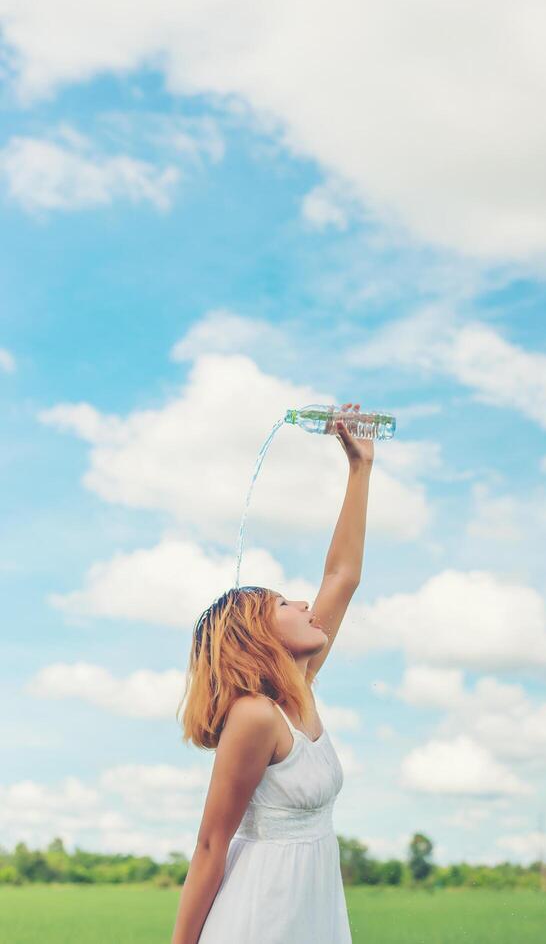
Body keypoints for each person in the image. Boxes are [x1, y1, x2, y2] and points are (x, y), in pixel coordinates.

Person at [171, 402, 374, 943]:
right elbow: (212, 844)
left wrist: (360, 468)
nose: (307, 602)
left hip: (312, 910)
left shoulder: (297, 695)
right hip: (263, 914)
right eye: (285, 603)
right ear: (257, 634)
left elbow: (343, 575)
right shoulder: (256, 716)